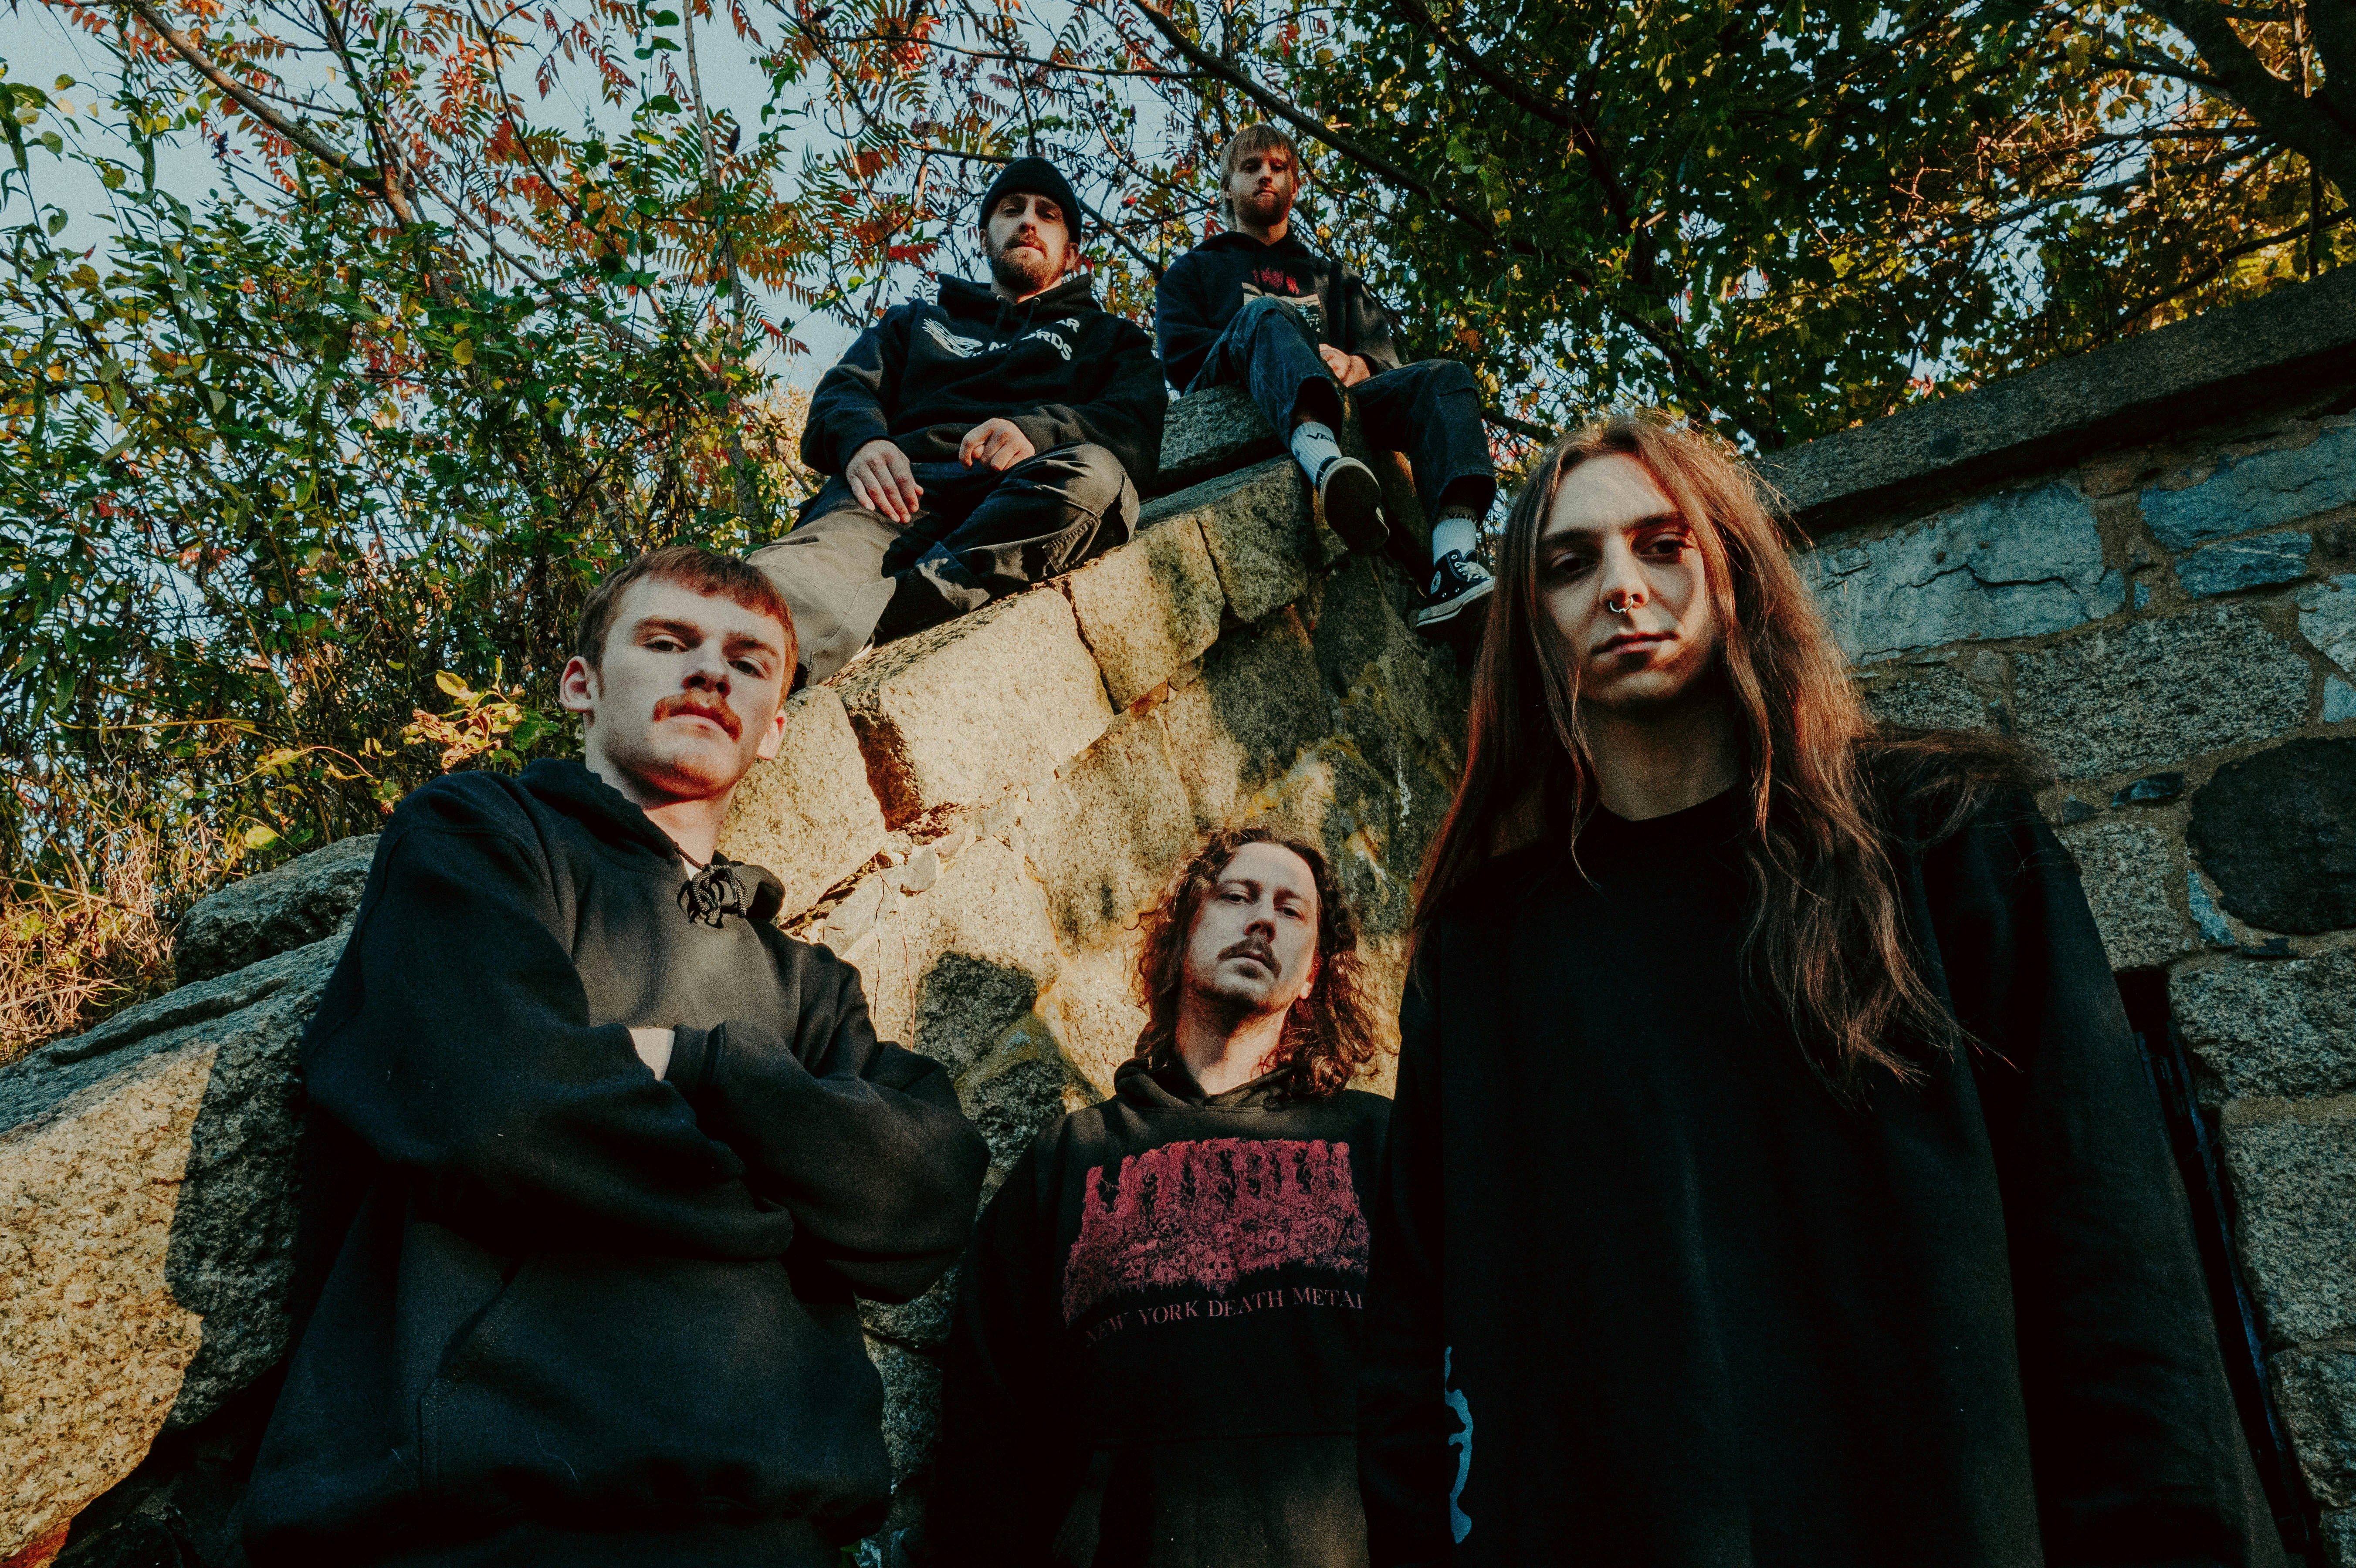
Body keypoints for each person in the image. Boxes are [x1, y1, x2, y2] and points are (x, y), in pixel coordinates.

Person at [1356, 418, 2287, 1567]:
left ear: (1733, 573)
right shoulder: (1484, 952)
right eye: (1569, 562)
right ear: (1529, 620)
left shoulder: (1942, 835)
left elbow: (2109, 1234)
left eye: (1663, 545)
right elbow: (1416, 1334)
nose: (1621, 587)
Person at [241, 545, 991, 1568]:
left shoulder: (812, 987)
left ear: (775, 728)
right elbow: (497, 1105)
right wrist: (791, 1199)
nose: (709, 672)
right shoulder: (477, 837)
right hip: (493, 1525)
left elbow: (924, 1201)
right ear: (581, 685)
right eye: (668, 641)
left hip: (780, 1537)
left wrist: (697, 1065)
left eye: (747, 661)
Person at [928, 827, 1391, 1567]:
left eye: (1290, 910)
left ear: (1310, 976)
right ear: (1182, 937)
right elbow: (988, 1430)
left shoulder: (1379, 1145)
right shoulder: (1070, 1159)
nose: (1262, 920)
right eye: (1237, 897)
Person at [753, 156, 1167, 685]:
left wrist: (1036, 434)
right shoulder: (916, 322)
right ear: (983, 237)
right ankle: (852, 610)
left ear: (1071, 252)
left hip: (1021, 497)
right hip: (892, 496)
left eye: (1047, 214)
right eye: (1011, 210)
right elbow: (845, 390)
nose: (1028, 221)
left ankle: (883, 612)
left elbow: (1134, 424)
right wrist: (863, 443)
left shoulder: (1111, 339)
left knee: (1096, 479)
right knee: (769, 597)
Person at [1154, 123, 1498, 635]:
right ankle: (1327, 467)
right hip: (1247, 395)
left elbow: (1384, 359)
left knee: (1446, 377)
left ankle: (1453, 562)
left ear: (1295, 185)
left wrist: (1358, 365)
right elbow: (1184, 362)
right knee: (1267, 315)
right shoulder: (1192, 272)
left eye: (1278, 168)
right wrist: (1279, 345)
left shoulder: (1335, 280)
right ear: (1226, 187)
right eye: (1250, 167)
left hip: (1350, 401)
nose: (1265, 176)